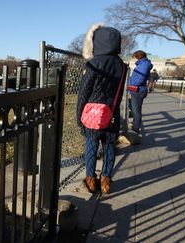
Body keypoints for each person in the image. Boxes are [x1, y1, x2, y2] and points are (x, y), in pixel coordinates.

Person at [77, 24, 127, 194]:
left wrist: (79, 116)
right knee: (109, 147)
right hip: (111, 112)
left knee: (91, 146)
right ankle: (106, 181)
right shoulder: (122, 65)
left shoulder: (93, 63)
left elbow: (84, 92)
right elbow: (119, 92)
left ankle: (91, 180)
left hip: (92, 113)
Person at [128, 50, 153, 133]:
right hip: (137, 89)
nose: (134, 60)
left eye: (134, 58)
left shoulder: (143, 65)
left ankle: (136, 128)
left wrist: (131, 84)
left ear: (138, 57)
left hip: (138, 90)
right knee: (134, 108)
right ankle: (135, 123)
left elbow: (140, 79)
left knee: (136, 110)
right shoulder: (143, 64)